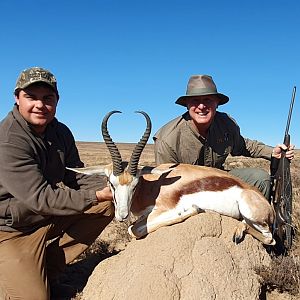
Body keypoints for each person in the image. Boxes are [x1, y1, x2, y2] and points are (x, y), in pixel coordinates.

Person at [0, 67, 114, 300]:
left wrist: (115, 187)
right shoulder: (9, 139)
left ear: (57, 100)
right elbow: (42, 198)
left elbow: (76, 176)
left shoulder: (60, 132)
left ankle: (48, 273)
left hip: (43, 217)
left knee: (106, 207)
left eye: (47, 98)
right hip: (10, 229)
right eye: (31, 97)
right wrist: (97, 195)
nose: (40, 105)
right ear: (17, 98)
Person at [154, 74, 295, 198]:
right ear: (187, 105)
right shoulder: (167, 139)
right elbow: (166, 185)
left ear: (217, 103)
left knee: (260, 178)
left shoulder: (226, 123)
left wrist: (272, 152)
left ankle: (257, 225)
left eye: (208, 100)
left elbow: (244, 146)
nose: (201, 106)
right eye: (195, 100)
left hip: (219, 179)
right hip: (187, 190)